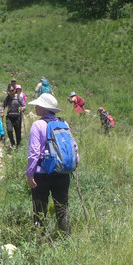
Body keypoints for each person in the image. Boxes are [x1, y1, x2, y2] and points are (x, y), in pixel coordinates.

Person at [26, 93, 77, 234]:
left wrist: (30, 174)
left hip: (42, 173)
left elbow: (34, 153)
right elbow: (73, 147)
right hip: (63, 172)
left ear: (44, 108)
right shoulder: (64, 123)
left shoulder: (38, 124)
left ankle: (40, 240)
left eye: (38, 105)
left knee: (39, 210)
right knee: (62, 208)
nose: (36, 107)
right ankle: (66, 239)